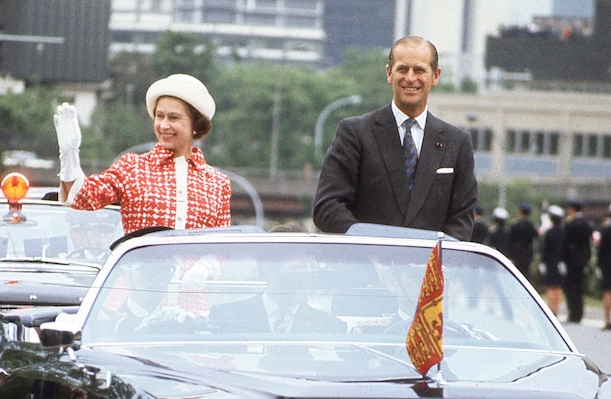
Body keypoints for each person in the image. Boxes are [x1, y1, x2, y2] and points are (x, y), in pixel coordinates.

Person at [312, 35, 477, 241]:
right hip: (366, 266)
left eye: (419, 70)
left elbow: (462, 219)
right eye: (402, 69)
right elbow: (327, 207)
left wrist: (432, 261)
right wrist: (369, 245)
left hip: (429, 269)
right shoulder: (355, 133)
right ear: (389, 73)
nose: (410, 78)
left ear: (435, 76)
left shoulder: (457, 142)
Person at [54, 74, 231, 235]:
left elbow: (222, 245)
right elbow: (83, 197)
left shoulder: (217, 183)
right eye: (159, 116)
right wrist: (69, 154)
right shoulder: (132, 167)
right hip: (139, 270)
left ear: (196, 125)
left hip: (198, 271)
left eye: (174, 118)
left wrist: (203, 268)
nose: (163, 125)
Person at [208, 257, 346, 334]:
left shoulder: (331, 327)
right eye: (299, 269)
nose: (309, 278)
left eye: (313, 269)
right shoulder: (224, 317)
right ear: (270, 271)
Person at [561, 199, 593, 324]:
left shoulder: (570, 223)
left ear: (572, 209)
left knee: (570, 287)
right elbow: (588, 244)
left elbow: (565, 243)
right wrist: (588, 259)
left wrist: (563, 260)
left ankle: (573, 313)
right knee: (579, 288)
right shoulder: (586, 223)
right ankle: (579, 314)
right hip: (582, 259)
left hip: (570, 259)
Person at [539, 205, 565, 316]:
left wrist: (542, 262)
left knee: (550, 287)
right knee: (558, 287)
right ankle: (556, 309)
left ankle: (551, 310)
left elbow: (545, 249)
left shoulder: (549, 232)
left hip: (550, 262)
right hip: (560, 262)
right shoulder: (564, 232)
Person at [509, 202, 538, 281]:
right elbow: (534, 240)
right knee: (526, 275)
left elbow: (511, 240)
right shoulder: (532, 225)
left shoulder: (515, 224)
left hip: (517, 253)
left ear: (520, 212)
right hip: (527, 253)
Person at [596, 207, 611, 330]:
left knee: (607, 292)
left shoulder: (605, 230)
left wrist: (599, 265)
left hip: (607, 264)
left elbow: (600, 250)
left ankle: (607, 319)